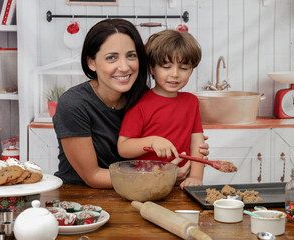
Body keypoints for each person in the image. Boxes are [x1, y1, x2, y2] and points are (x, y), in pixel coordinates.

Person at [53, 19, 209, 189]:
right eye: (111, 58)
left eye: (131, 56)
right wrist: (162, 177)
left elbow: (178, 136)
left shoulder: (140, 95)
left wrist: (188, 146)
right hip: (81, 196)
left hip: (137, 193)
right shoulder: (73, 105)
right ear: (92, 62)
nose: (124, 67)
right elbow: (93, 176)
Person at [117, 29, 204, 189]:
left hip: (181, 183)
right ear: (151, 68)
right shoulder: (140, 104)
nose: (175, 74)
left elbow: (197, 142)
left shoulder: (191, 102)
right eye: (166, 66)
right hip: (146, 184)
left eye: (184, 68)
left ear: (192, 70)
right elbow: (123, 148)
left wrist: (196, 177)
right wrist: (152, 141)